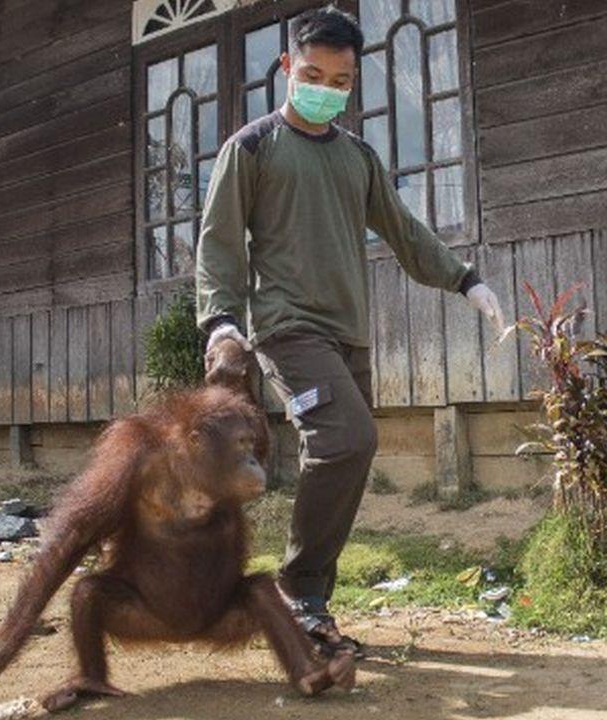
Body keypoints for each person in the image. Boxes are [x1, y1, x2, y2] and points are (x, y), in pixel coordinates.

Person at [195, 5, 504, 657]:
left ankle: (303, 599)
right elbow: (218, 242)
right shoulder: (251, 148)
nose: (326, 89)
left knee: (343, 449)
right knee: (349, 437)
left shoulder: (357, 156)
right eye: (313, 74)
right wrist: (221, 322)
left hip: (348, 333)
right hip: (285, 328)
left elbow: (405, 230)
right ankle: (298, 592)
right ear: (287, 68)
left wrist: (466, 281)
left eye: (341, 81)